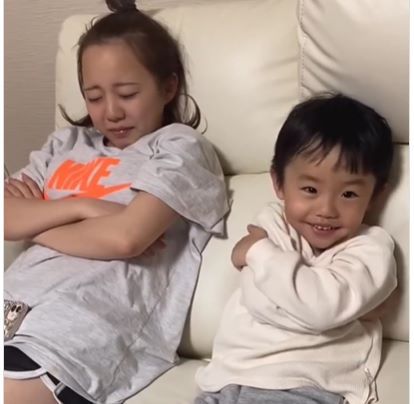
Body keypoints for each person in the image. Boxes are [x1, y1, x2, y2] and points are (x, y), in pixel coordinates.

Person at [3, 1, 229, 403]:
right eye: (93, 97)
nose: (111, 112)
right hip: (13, 300)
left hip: (81, 331)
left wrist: (35, 224)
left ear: (168, 87)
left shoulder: (179, 147)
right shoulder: (65, 144)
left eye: (127, 94)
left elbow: (125, 238)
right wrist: (81, 207)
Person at [194, 94, 397, 404]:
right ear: (278, 183)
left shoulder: (371, 249)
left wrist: (258, 254)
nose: (326, 210)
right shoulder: (272, 221)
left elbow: (322, 310)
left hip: (307, 386)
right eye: (310, 189)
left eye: (349, 194)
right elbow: (259, 299)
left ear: (375, 196)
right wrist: (333, 310)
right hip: (226, 378)